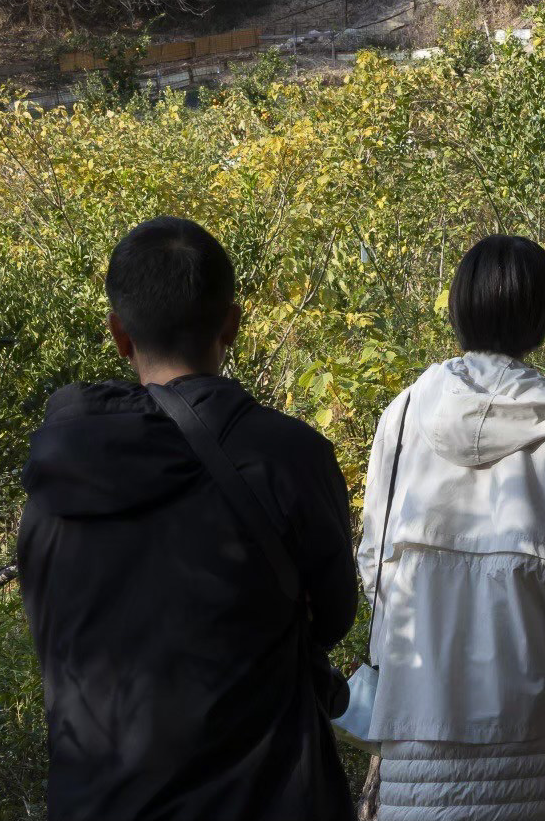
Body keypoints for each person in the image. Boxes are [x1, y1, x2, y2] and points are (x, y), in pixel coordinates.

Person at [19, 216, 356, 821]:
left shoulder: (53, 482)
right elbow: (332, 614)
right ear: (232, 322)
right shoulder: (288, 457)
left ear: (119, 334)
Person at [357, 234, 545, 821]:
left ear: (458, 309)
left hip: (415, 722)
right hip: (530, 735)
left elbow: (374, 560)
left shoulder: (404, 414)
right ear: (543, 319)